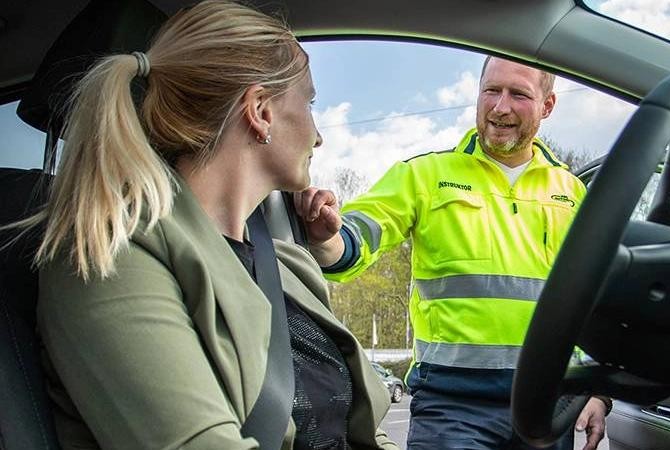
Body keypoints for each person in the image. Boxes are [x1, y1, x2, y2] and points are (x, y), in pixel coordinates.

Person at [22, 1, 397, 449]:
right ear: (260, 111)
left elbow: (362, 431)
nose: (319, 135)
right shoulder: (111, 253)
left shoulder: (287, 264)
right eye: (311, 103)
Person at [296, 56, 610, 450]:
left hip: (546, 406)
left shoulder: (573, 193)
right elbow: (354, 237)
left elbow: (598, 303)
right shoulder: (425, 176)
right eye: (491, 91)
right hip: (453, 408)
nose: (500, 107)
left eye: (518, 94)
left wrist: (596, 392)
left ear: (547, 105)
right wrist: (327, 236)